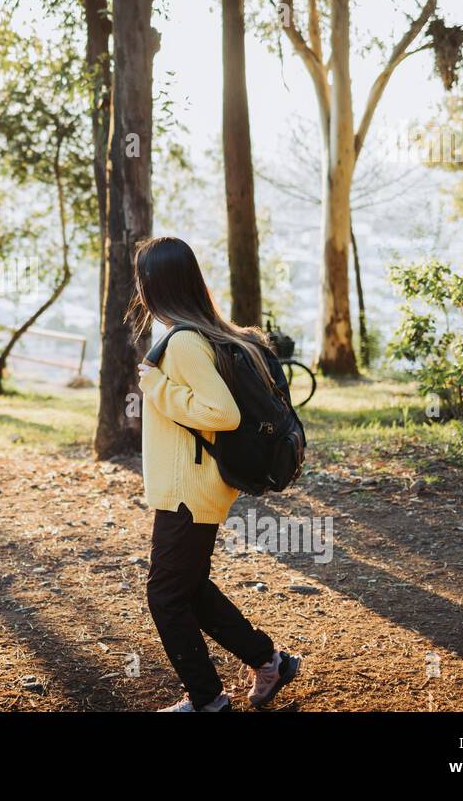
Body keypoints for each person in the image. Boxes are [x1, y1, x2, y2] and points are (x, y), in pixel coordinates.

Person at [129, 235, 301, 713]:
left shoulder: (183, 342)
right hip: (197, 486)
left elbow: (221, 413)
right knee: (190, 588)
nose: (138, 288)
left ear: (155, 284)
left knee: (165, 596)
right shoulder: (203, 333)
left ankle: (206, 699)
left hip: (189, 489)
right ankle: (270, 661)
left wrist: (157, 387)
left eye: (142, 278)